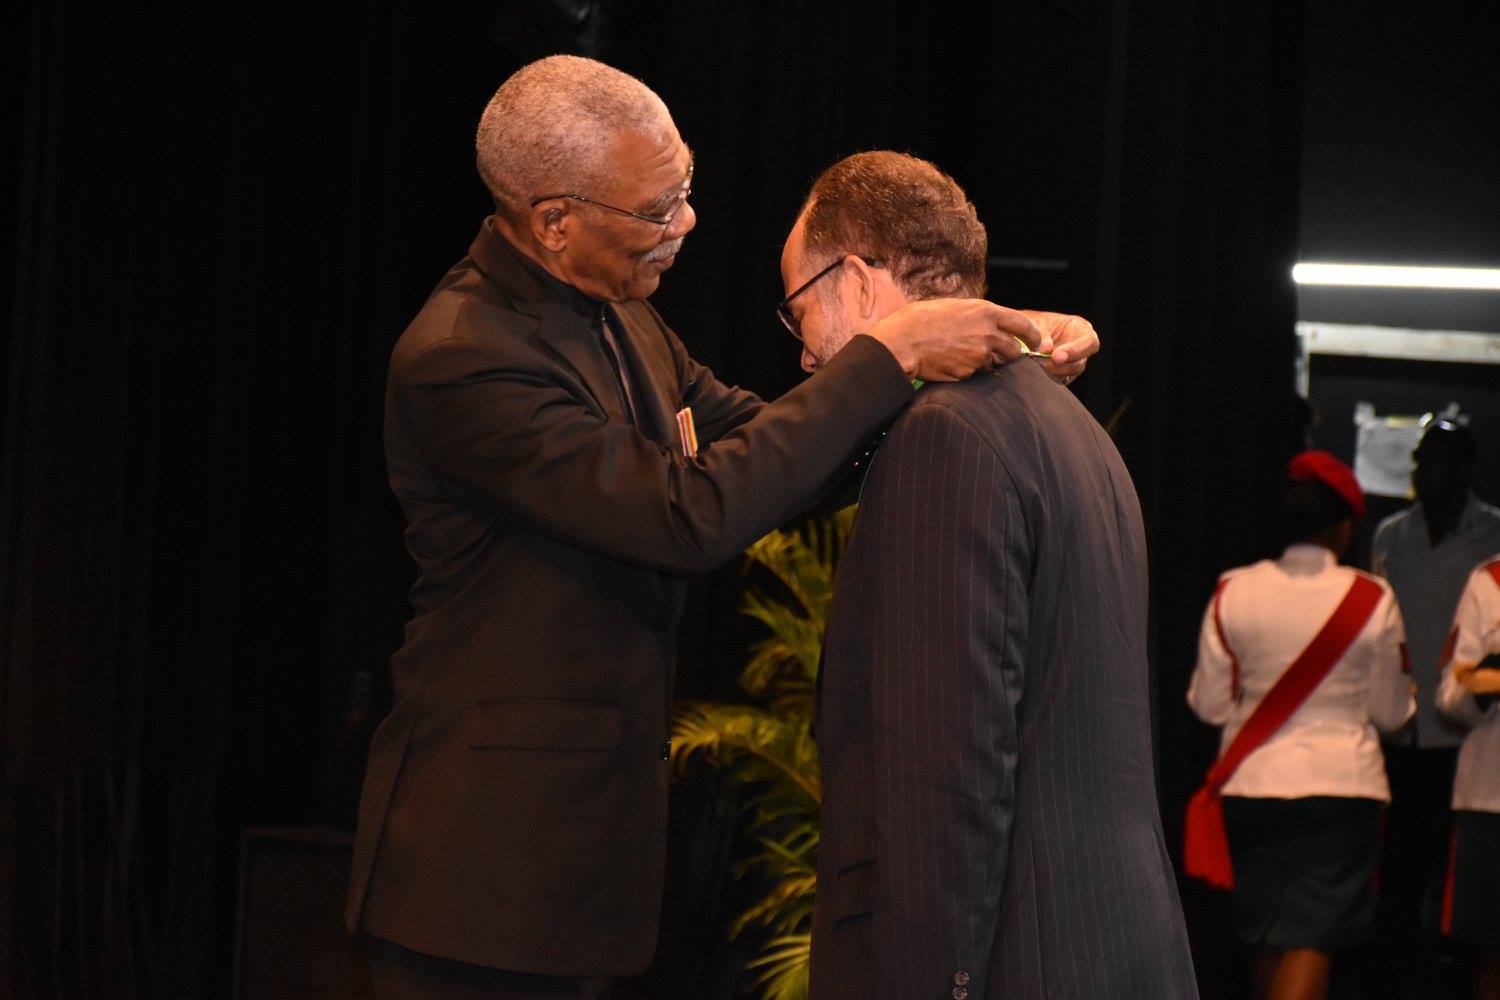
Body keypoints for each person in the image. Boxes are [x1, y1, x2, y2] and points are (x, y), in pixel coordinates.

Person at [345, 57, 1101, 998]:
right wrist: (888, 353)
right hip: (484, 865)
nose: (687, 224)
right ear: (554, 219)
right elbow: (688, 515)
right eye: (657, 210)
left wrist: (982, 349)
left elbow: (772, 453)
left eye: (688, 190)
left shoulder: (626, 323)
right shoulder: (462, 357)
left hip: (577, 865)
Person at [794, 151, 1195, 1000]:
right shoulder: (1071, 425)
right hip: (1103, 945)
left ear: (860, 286)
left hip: (1009, 959)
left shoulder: (942, 437)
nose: (802, 357)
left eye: (799, 310)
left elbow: (942, 778)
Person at [1186, 452, 1415, 1000]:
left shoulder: (1233, 589)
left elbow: (1210, 706)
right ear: (1344, 526)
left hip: (1252, 789)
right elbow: (1390, 714)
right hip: (1341, 792)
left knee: (1265, 935)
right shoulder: (1372, 597)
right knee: (1314, 937)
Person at [1372, 420, 1500, 952]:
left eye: (1438, 458)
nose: (1424, 470)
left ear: (1467, 467)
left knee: (1455, 867)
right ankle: (1394, 961)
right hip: (1401, 721)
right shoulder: (1390, 535)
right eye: (1421, 458)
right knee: (1398, 856)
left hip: (1467, 728)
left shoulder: (1494, 535)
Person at [1436, 555, 1500, 1000]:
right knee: (1489, 951)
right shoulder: (1489, 580)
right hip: (1491, 796)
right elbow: (1450, 694)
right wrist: (1488, 685)